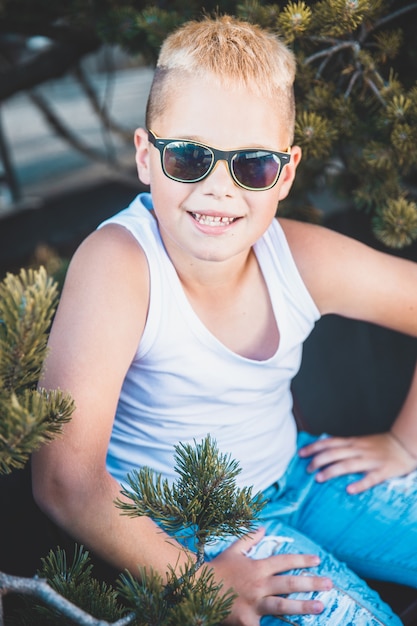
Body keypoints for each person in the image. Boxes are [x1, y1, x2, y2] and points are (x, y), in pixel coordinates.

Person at [32, 14, 417, 625]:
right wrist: (197, 583)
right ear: (146, 157)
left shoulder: (301, 257)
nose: (218, 189)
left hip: (297, 475)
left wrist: (403, 443)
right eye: (189, 157)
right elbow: (64, 479)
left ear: (285, 174)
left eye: (253, 166)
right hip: (186, 529)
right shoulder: (120, 265)